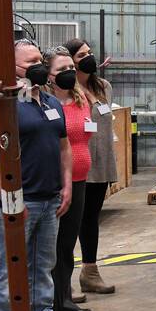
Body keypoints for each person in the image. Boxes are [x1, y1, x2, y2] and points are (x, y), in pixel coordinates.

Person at [0, 40, 74, 311]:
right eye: (31, 62)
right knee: (10, 266)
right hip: (18, 202)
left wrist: (67, 184)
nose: (39, 67)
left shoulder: (49, 102)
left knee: (43, 264)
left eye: (40, 60)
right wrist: (9, 197)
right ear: (12, 68)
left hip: (49, 199)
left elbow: (63, 146)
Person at [64, 38, 119, 296]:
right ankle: (62, 280)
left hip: (101, 162)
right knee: (70, 223)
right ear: (71, 62)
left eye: (90, 52)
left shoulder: (104, 87)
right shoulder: (65, 90)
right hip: (76, 163)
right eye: (82, 54)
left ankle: (90, 273)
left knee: (90, 220)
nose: (89, 57)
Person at [46, 46, 93, 311]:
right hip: (54, 182)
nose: (67, 74)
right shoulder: (43, 103)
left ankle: (63, 298)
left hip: (79, 179)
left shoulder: (80, 98)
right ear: (47, 75)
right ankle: (49, 301)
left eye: (69, 69)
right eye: (60, 70)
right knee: (49, 246)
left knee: (66, 244)